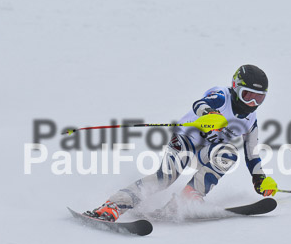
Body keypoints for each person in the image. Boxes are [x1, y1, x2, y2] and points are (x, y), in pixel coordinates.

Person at [86, 64, 278, 221]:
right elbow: (200, 104)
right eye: (248, 96)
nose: (252, 104)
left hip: (208, 150)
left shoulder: (251, 120)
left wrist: (259, 179)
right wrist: (209, 114)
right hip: (186, 141)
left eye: (259, 98)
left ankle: (188, 197)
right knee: (165, 178)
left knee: (228, 154)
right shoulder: (222, 96)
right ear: (236, 87)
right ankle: (113, 206)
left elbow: (252, 153)